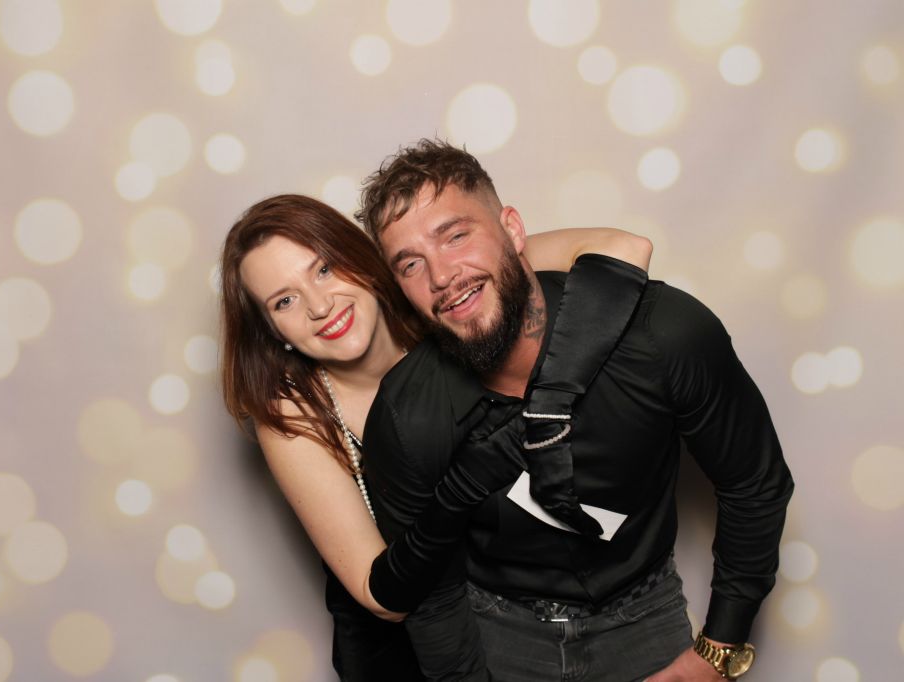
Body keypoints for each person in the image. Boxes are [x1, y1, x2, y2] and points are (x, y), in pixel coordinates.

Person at [356, 139, 795, 681]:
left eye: (456, 236)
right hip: (497, 628)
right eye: (410, 264)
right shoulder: (406, 414)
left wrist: (717, 651)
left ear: (513, 229)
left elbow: (753, 483)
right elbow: (432, 593)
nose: (441, 275)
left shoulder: (661, 336)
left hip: (645, 613)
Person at [220, 193, 653, 680]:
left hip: (520, 614)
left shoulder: (437, 292)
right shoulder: (293, 412)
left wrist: (554, 396)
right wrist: (462, 486)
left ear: (359, 259)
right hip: (402, 651)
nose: (319, 306)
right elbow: (383, 601)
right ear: (272, 330)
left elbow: (624, 247)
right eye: (284, 301)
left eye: (324, 270)